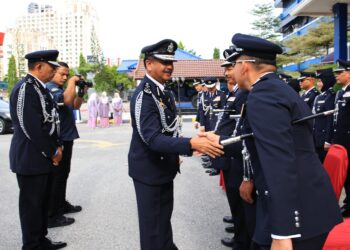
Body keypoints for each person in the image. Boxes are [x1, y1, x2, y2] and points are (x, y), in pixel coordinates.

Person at [205, 33, 342, 249]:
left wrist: (283, 230)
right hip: (301, 204)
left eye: (233, 64)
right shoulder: (274, 89)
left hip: (298, 214)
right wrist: (220, 142)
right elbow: (260, 142)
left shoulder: (264, 96)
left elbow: (279, 161)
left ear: (245, 65)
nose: (230, 71)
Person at [128, 39, 224, 250]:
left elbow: (169, 128)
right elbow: (151, 138)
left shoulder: (164, 92)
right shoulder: (144, 95)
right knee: (152, 228)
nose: (169, 66)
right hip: (148, 171)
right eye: (163, 61)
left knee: (163, 220)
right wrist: (191, 144)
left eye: (171, 61)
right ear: (149, 64)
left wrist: (176, 153)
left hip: (163, 167)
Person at [9, 50, 67, 249]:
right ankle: (32, 245)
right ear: (39, 66)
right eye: (52, 66)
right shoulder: (26, 88)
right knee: (32, 206)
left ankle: (41, 240)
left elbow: (51, 121)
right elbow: (30, 127)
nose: (55, 70)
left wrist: (57, 146)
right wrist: (53, 152)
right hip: (31, 158)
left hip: (42, 157)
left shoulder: (40, 88)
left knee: (42, 203)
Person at [212, 48, 252, 249]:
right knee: (235, 202)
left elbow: (241, 130)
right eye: (226, 68)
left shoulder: (244, 94)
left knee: (241, 204)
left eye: (230, 67)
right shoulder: (234, 93)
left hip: (237, 156)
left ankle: (241, 239)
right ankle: (239, 233)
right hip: (229, 154)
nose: (227, 73)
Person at [46, 62, 85, 228]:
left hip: (67, 136)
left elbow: (75, 105)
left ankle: (61, 204)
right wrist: (71, 84)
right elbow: (66, 101)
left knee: (63, 174)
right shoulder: (50, 87)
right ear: (53, 72)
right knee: (56, 176)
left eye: (67, 75)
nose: (64, 77)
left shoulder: (61, 88)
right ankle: (52, 214)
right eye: (62, 74)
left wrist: (81, 90)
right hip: (59, 139)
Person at [332, 59, 350, 217]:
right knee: (346, 175)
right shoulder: (341, 92)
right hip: (342, 139)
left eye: (340, 73)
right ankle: (348, 202)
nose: (336, 76)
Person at [312, 69, 336, 163]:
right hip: (316, 137)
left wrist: (327, 140)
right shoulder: (319, 96)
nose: (318, 83)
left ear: (326, 81)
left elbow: (330, 119)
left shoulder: (331, 96)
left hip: (323, 139)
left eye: (320, 81)